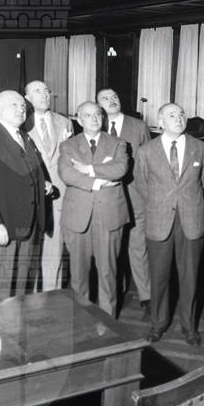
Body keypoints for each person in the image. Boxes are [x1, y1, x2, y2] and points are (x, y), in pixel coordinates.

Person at [135, 103, 204, 345]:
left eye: (181, 114)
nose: (178, 118)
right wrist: (162, 203)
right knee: (158, 277)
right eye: (171, 115)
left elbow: (203, 183)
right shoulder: (146, 151)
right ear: (160, 121)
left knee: (190, 277)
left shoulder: (202, 149)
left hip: (191, 220)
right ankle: (158, 323)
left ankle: (189, 326)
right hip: (159, 221)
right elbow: (142, 185)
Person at [0, 90, 47, 300]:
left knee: (21, 285)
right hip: (3, 224)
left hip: (28, 223)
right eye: (14, 105)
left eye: (23, 106)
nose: (21, 109)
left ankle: (16, 321)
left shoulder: (22, 135)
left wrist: (43, 183)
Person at [58, 101, 129, 316]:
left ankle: (108, 322)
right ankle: (81, 321)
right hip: (78, 217)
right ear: (79, 120)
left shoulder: (118, 143)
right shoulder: (68, 145)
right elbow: (67, 174)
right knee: (79, 275)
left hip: (109, 216)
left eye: (98, 114)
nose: (94, 119)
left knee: (108, 274)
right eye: (88, 115)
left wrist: (88, 169)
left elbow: (120, 168)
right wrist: (98, 182)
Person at [96, 88, 151, 312]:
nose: (111, 101)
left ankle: (146, 295)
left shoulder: (138, 126)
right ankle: (115, 292)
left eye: (115, 97)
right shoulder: (95, 125)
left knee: (139, 247)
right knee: (110, 250)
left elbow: (148, 160)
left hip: (136, 195)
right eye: (105, 99)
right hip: (108, 197)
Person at [23, 80, 73, 292]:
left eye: (46, 91)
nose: (44, 95)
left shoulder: (65, 123)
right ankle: (32, 298)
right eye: (37, 91)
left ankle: (53, 296)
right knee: (31, 252)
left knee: (55, 251)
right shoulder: (20, 123)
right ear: (27, 98)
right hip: (31, 196)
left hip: (59, 196)